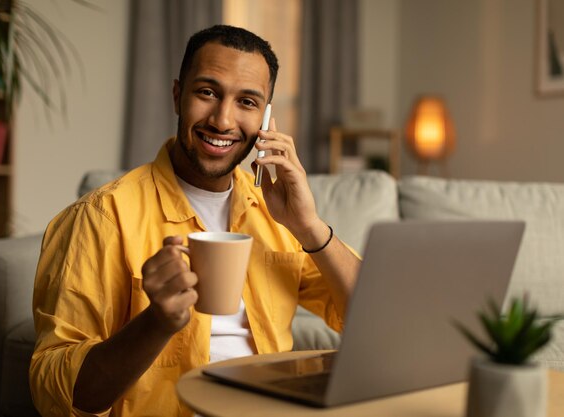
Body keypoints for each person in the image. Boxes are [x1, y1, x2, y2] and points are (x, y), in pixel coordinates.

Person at [29, 24, 361, 417]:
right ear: (177, 96)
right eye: (207, 93)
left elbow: (370, 321)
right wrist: (157, 321)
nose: (222, 120)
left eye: (247, 102)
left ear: (266, 119)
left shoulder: (275, 214)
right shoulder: (101, 217)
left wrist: (310, 227)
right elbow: (58, 394)